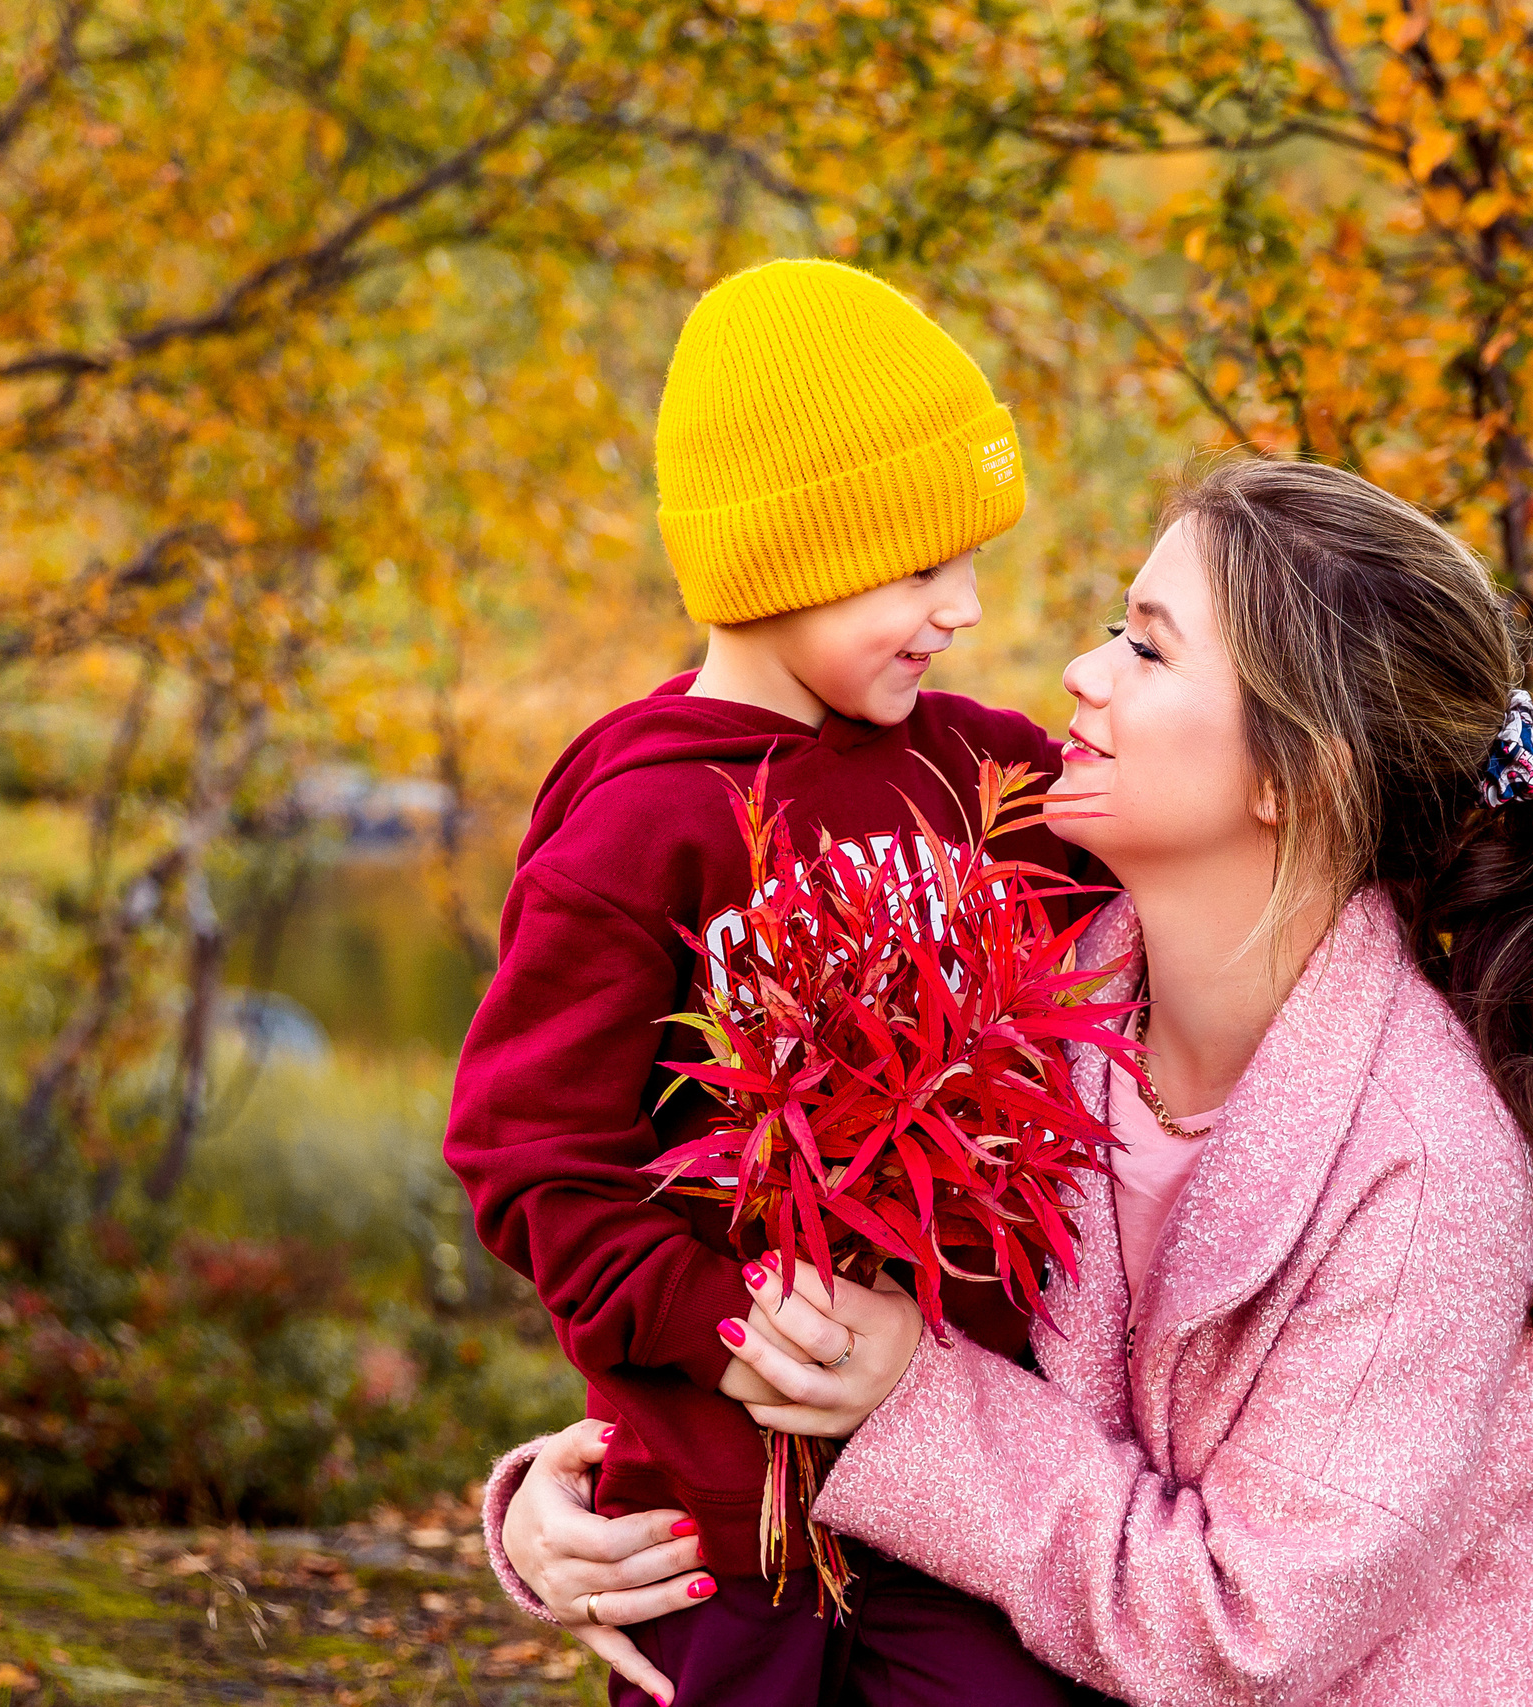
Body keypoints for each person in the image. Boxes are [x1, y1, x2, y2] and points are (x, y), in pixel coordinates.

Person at [487, 458, 1533, 1704]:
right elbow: (739, 1234)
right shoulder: (1034, 976)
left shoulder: (1432, 1160)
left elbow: (1235, 1633)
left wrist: (905, 1398)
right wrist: (596, 1489)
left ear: (1288, 776)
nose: (1078, 675)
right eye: (1108, 630)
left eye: (1147, 649)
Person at [443, 257, 1091, 1707]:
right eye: (924, 569)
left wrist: (1500, 887)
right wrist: (724, 1322)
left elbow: (1227, 832)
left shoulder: (976, 770)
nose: (968, 608)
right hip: (718, 1530)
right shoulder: (638, 821)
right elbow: (529, 1156)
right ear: (795, 555)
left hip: (959, 1497)